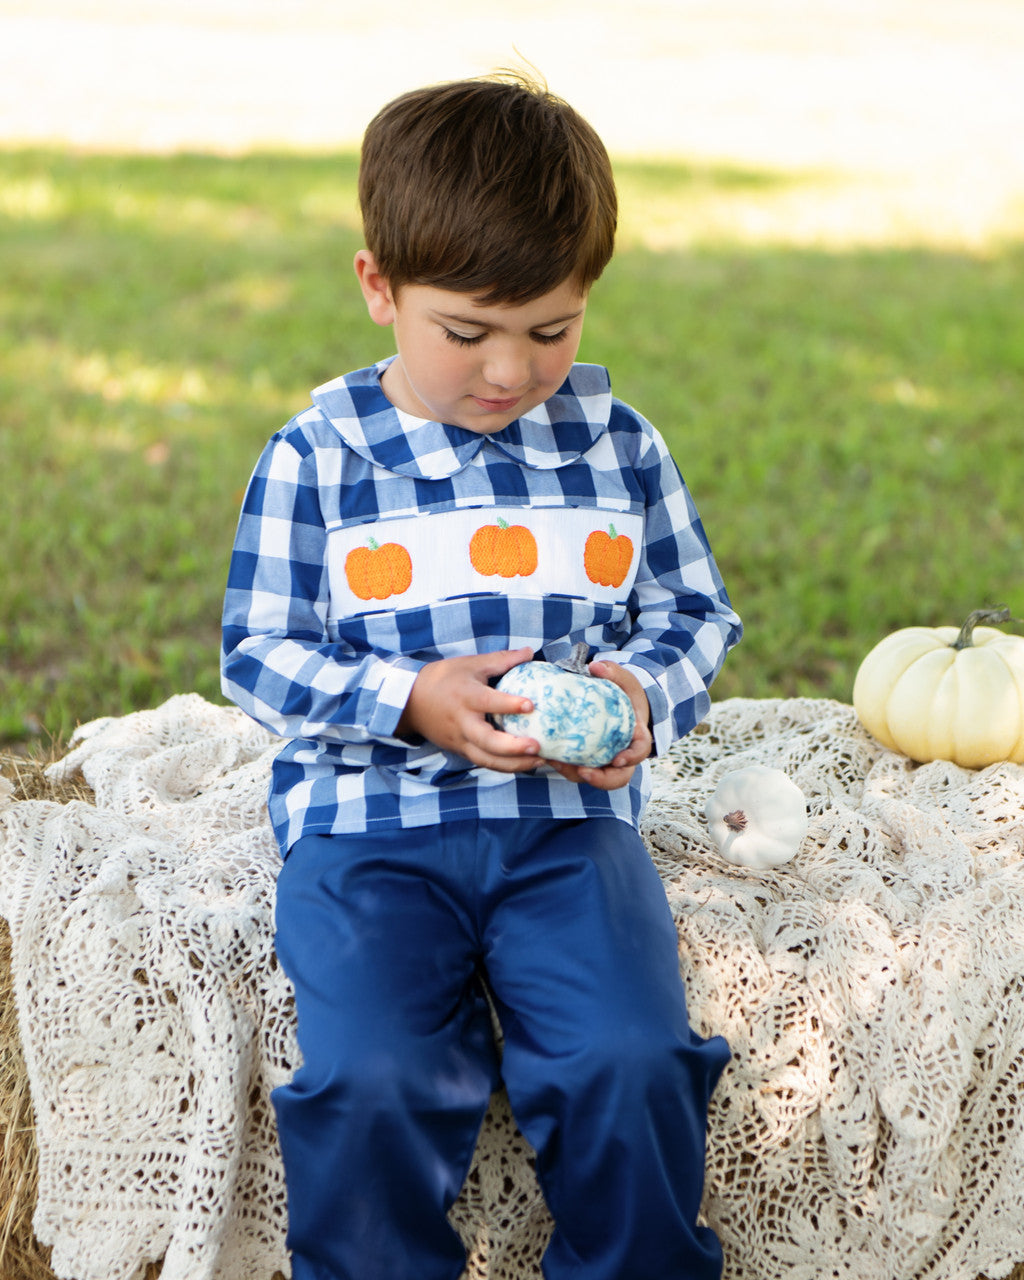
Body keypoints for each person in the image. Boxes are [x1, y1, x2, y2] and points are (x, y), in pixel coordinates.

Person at [222, 72, 742, 1280]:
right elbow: (260, 650)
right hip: (371, 831)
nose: (510, 370)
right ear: (379, 289)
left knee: (626, 1054)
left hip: (564, 826)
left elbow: (689, 607)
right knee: (376, 1073)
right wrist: (408, 696)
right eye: (467, 332)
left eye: (551, 328)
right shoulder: (319, 457)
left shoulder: (617, 445)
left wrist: (635, 694)